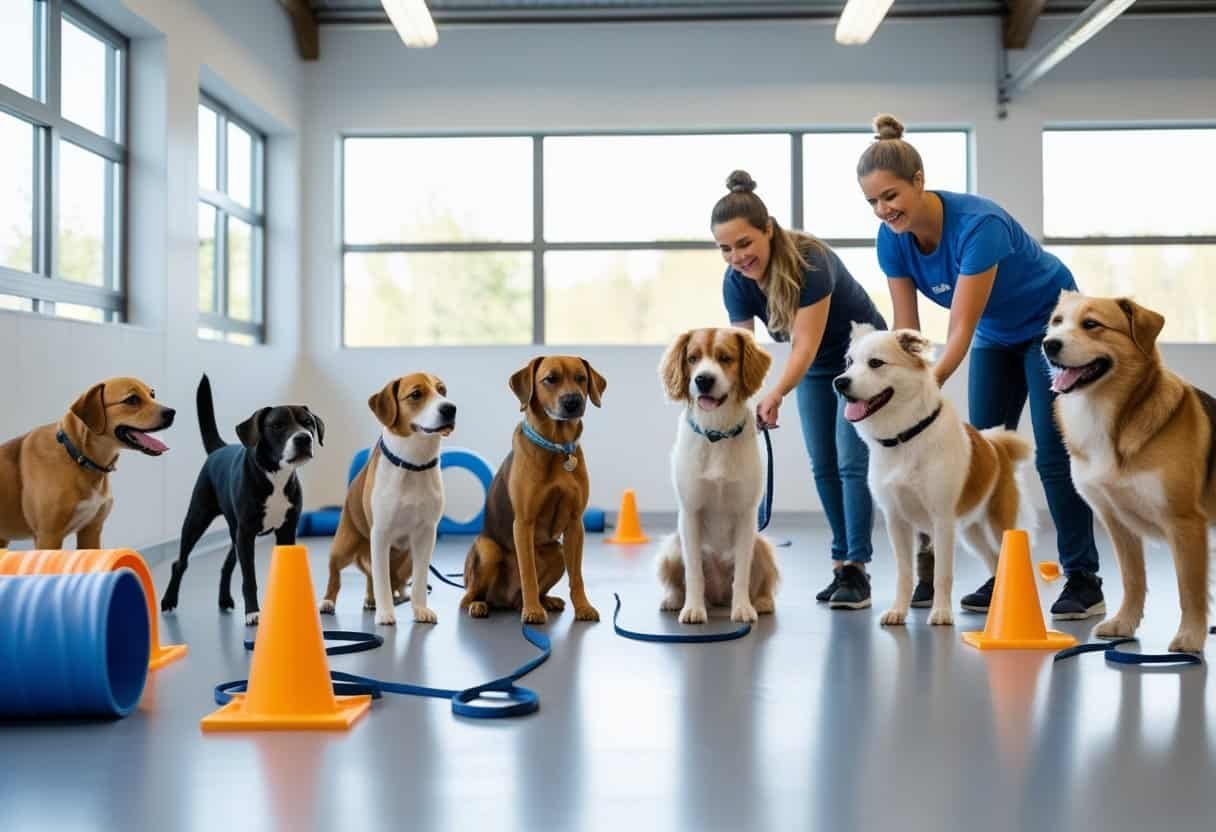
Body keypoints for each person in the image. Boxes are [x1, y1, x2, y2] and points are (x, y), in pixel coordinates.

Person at [856, 114, 1104, 620]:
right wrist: (898, 383)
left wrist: (920, 393)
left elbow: (958, 329)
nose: (884, 210)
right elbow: (908, 332)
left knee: (1053, 451)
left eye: (891, 196)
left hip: (1047, 324)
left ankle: (1083, 577)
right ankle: (1001, 572)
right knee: (984, 447)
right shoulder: (892, 240)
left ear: (919, 181)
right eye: (873, 202)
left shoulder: (978, 227)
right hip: (996, 332)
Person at [714, 169, 897, 610]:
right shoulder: (736, 283)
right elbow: (741, 350)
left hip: (861, 357)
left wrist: (775, 394)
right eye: (725, 248)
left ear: (768, 231)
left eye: (744, 243)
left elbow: (805, 344)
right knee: (823, 464)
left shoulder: (809, 260)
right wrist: (736, 403)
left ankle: (857, 567)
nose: (738, 256)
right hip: (817, 368)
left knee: (851, 462)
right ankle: (840, 563)